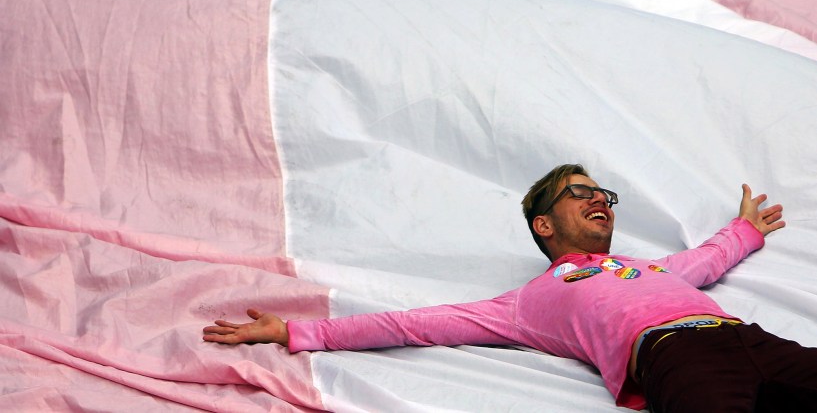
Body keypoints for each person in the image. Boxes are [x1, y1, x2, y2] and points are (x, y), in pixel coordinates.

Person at [203, 164, 817, 412]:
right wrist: (296, 330)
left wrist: (746, 228)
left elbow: (710, 257)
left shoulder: (653, 269)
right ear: (545, 225)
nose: (599, 198)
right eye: (580, 193)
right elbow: (414, 323)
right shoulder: (532, 301)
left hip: (751, 338)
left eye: (602, 193)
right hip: (673, 356)